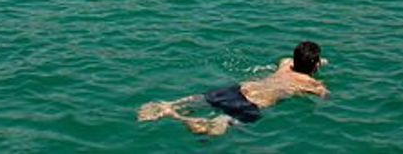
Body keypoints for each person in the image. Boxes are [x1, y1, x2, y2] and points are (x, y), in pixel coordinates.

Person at [137, 42, 329, 137]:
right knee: (217, 126)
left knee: (203, 99)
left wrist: (312, 62)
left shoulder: (285, 65)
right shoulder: (312, 85)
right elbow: (324, 96)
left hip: (242, 88)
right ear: (315, 66)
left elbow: (290, 59)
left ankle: (169, 105)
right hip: (254, 103)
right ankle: (178, 116)